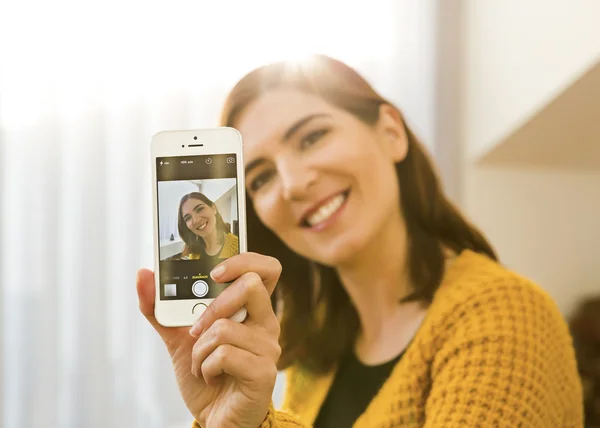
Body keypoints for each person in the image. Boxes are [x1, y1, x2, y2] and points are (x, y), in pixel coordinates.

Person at [136, 55, 583, 427]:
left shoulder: (504, 317)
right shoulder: (313, 353)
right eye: (262, 177)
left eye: (312, 137)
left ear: (390, 131)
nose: (291, 184)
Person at [176, 191, 239, 260]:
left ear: (213, 208)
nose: (196, 220)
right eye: (188, 218)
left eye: (199, 209)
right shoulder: (193, 252)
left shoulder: (239, 247)